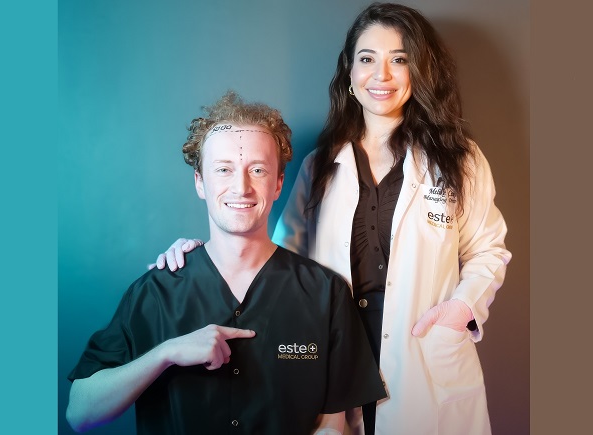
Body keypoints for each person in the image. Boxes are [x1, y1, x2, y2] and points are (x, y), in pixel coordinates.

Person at [153, 3, 512, 435]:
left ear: (419, 70)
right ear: (350, 73)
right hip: (335, 350)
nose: (381, 75)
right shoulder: (320, 165)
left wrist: (462, 308)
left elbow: (488, 249)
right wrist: (204, 255)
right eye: (367, 59)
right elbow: (276, 259)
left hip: (425, 354)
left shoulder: (458, 161)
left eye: (399, 59)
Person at [66, 91, 387, 435]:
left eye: (258, 170)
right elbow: (80, 414)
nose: (241, 187)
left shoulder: (326, 293)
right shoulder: (156, 291)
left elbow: (332, 426)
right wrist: (166, 353)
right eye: (223, 170)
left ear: (278, 184)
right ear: (200, 183)